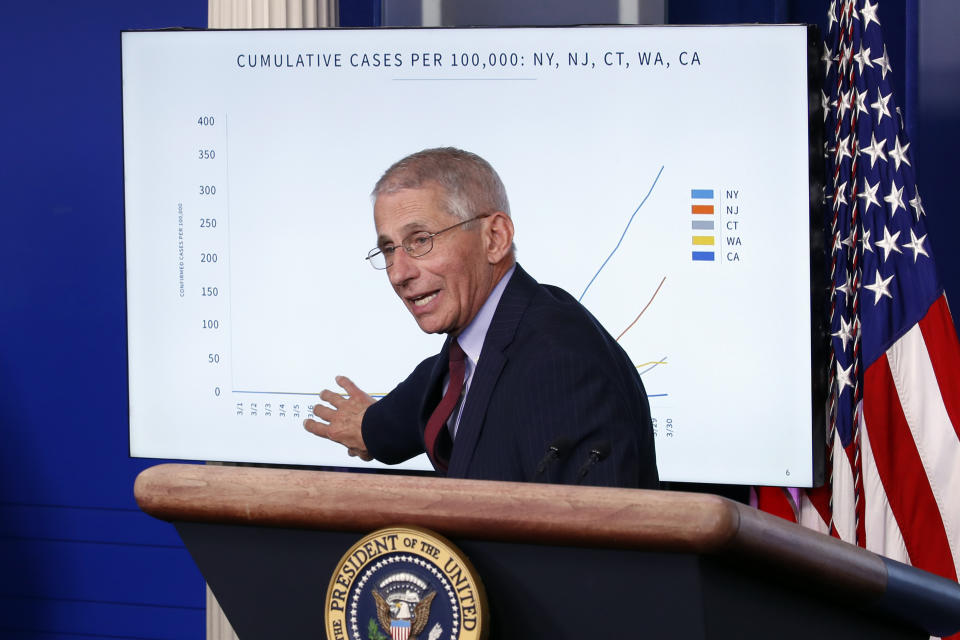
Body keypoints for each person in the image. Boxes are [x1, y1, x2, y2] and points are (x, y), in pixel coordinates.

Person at [304, 147, 658, 488]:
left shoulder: (559, 363)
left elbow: (594, 538)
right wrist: (370, 428)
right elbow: (429, 400)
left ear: (494, 238)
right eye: (389, 249)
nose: (398, 273)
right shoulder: (477, 344)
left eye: (420, 240)